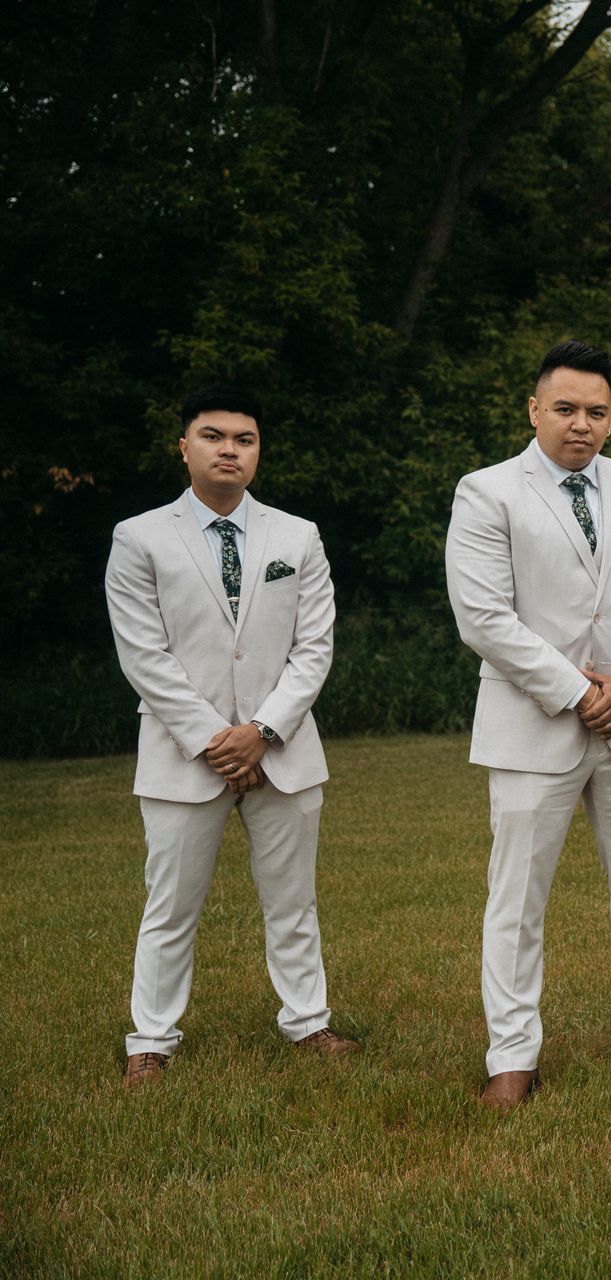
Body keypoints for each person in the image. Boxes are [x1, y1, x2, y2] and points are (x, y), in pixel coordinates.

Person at [445, 340, 611, 1110]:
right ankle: (512, 1055)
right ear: (534, 410)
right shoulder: (487, 492)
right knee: (518, 898)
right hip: (531, 723)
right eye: (565, 409)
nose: (581, 424)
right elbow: (482, 616)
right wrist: (576, 692)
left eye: (596, 411)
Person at [105, 385, 357, 1085]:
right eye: (213, 437)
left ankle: (307, 1022)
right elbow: (143, 655)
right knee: (170, 905)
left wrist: (264, 731)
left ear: (258, 452)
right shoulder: (139, 537)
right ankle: (151, 1040)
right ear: (184, 447)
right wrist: (218, 739)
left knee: (293, 900)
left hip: (284, 751)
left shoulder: (297, 536)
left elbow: (314, 648)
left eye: (244, 440)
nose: (229, 450)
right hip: (183, 754)